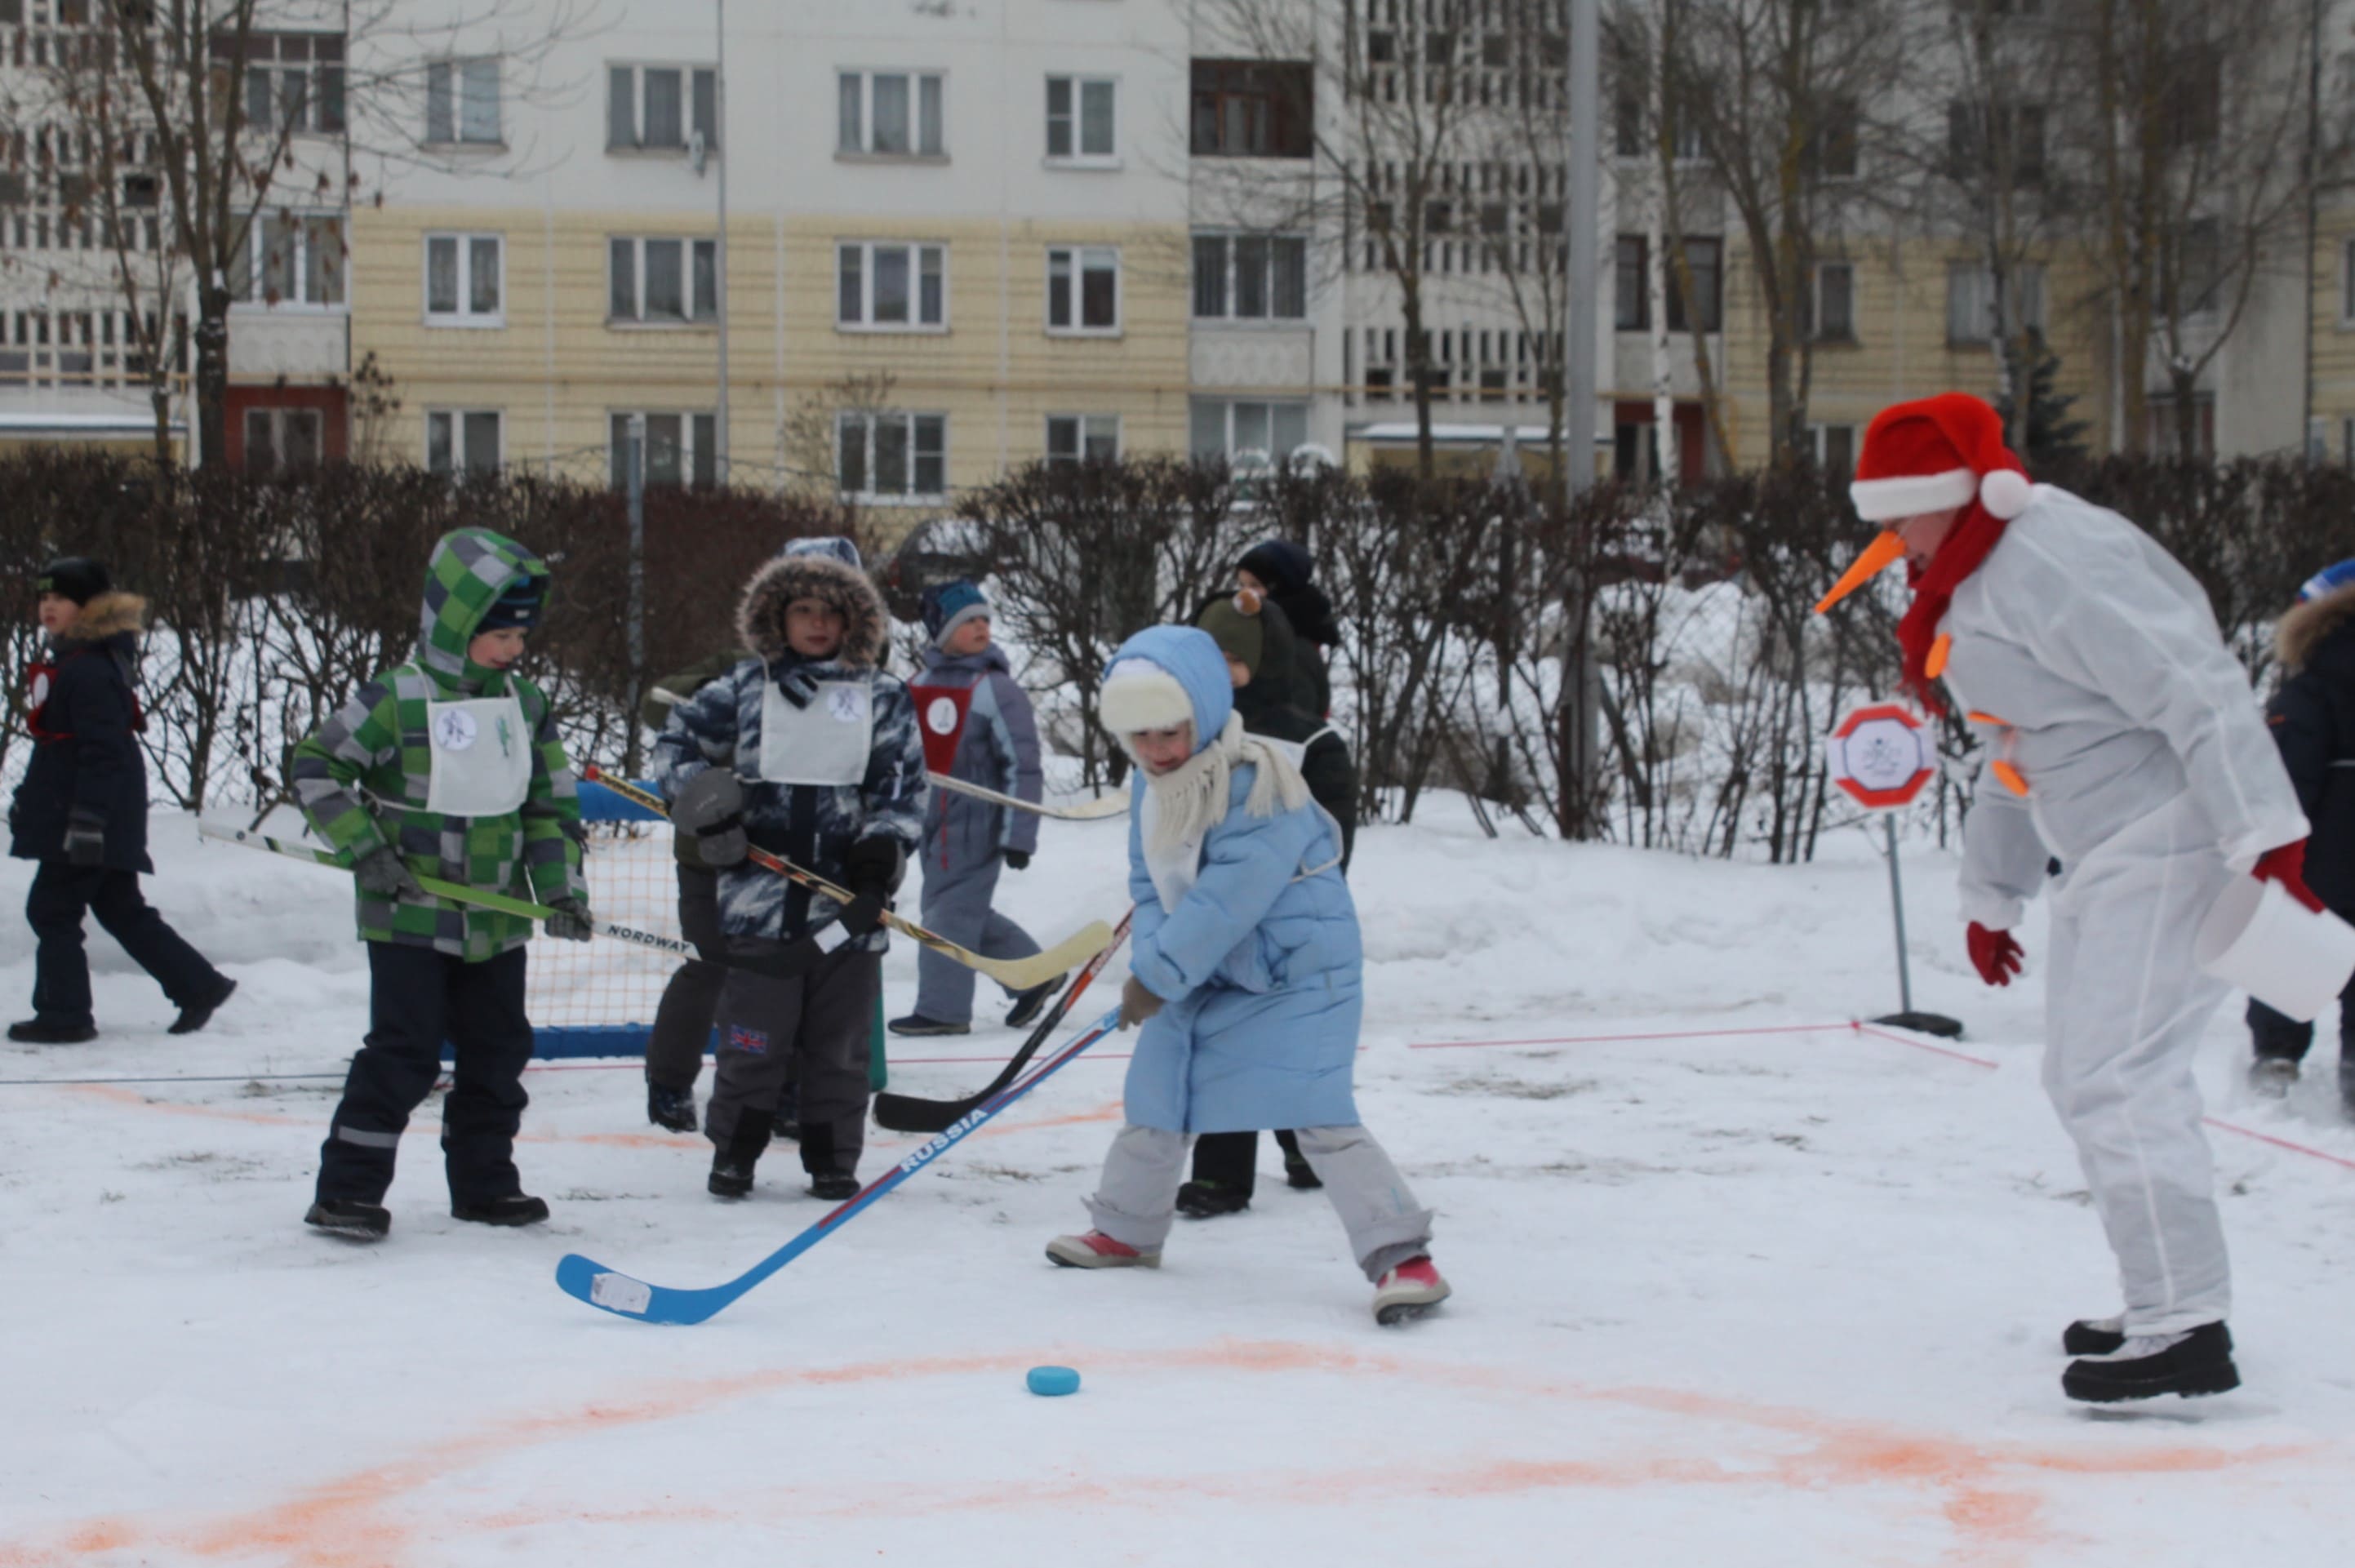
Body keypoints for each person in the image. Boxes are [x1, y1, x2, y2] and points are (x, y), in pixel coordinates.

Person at [1817, 392, 2310, 1402]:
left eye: (1903, 514)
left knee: (2118, 1075)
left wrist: (2265, 832)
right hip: (2100, 849)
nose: (1891, 538)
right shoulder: (1971, 576)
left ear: (1956, 494)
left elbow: (2195, 682)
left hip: (2169, 834)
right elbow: (2017, 741)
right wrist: (1991, 891)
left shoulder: (2047, 557)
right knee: (2082, 1075)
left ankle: (2184, 1323)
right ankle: (2162, 1294)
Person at [1044, 625, 1448, 1326]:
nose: (1155, 750)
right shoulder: (1151, 786)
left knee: (1315, 1108)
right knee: (1156, 1093)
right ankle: (1127, 1230)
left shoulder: (1258, 784)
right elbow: (1149, 884)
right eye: (1139, 736)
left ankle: (1402, 1255)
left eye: (1169, 732)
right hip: (1205, 965)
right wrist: (1153, 964)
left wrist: (1161, 974)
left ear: (1203, 712)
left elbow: (1227, 899)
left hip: (1296, 970)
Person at [293, 529, 590, 1240]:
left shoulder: (525, 705)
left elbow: (550, 808)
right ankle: (348, 1191)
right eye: (499, 634)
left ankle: (485, 1185)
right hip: (409, 915)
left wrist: (561, 891)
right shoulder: (396, 697)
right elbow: (316, 767)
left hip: (497, 921)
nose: (513, 648)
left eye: (521, 635)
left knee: (497, 1054)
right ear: (458, 624)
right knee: (404, 1053)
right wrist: (365, 849)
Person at [655, 537, 923, 1202]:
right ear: (777, 613)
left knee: (839, 1048)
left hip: (847, 913)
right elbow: (675, 745)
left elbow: (902, 789)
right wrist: (709, 809)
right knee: (753, 1041)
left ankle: (831, 1158)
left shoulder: (883, 696)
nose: (817, 623)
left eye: (832, 610)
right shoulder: (744, 688)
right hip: (758, 909)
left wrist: (881, 854)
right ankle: (735, 1153)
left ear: (856, 616)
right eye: (802, 608)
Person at [1175, 586, 1359, 1218]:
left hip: (1290, 923)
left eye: (1234, 657)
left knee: (1292, 1046)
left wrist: (1297, 900)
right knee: (1223, 1043)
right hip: (1217, 919)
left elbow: (1332, 837)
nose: (1221, 670)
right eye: (1210, 656)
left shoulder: (1309, 740)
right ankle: (1219, 1177)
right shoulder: (1189, 736)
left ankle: (1306, 1149)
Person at [8, 557, 235, 1043]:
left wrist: (88, 819)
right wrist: (31, 798)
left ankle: (65, 1015)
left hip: (89, 816)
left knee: (52, 908)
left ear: (90, 606)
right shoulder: (77, 661)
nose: (48, 606)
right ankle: (199, 985)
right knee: (119, 907)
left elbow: (104, 752)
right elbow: (60, 748)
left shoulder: (89, 669)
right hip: (91, 812)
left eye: (60, 598)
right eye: (43, 598)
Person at [891, 580, 1058, 1037]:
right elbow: (900, 756)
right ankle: (1036, 974)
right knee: (958, 910)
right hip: (931, 820)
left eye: (985, 619)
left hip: (977, 822)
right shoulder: (916, 686)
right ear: (943, 632)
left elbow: (1023, 764)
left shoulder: (996, 689)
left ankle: (942, 1010)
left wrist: (1019, 834)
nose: (982, 627)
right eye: (968, 622)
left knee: (948, 915)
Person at [2245, 557, 2355, 1113]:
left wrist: (2266, 841)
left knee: (2288, 940)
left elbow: (2288, 774)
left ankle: (2277, 1055)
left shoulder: (2311, 686)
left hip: (2323, 852)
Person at [1237, 539, 1343, 720]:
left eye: (1255, 586)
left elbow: (1298, 722)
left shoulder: (1293, 650)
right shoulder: (1258, 633)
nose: (1244, 594)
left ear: (1280, 588)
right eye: (1241, 585)